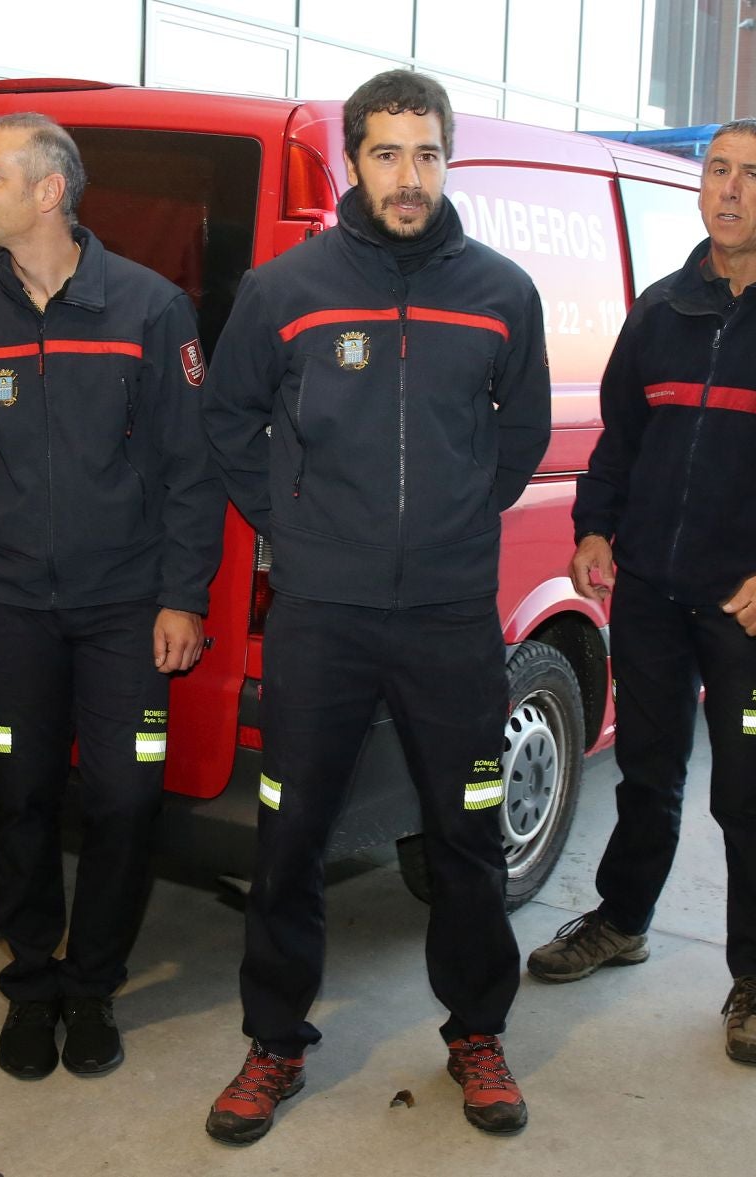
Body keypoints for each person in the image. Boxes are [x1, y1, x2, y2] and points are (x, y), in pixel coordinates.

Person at [200, 70, 551, 1143]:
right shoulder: (286, 287)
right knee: (291, 831)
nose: (410, 177)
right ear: (353, 160)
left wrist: (448, 524)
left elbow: (520, 435)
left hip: (450, 614)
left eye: (429, 154)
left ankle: (477, 1034)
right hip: (323, 612)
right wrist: (301, 526)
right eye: (389, 154)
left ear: (451, 161)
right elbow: (228, 417)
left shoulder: (501, 291)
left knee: (467, 835)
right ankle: (273, 1042)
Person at [527, 118, 756, 1067]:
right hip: (650, 590)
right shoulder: (660, 311)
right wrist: (595, 529)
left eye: (753, 174)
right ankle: (622, 919)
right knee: (645, 771)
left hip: (750, 608)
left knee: (747, 790)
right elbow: (620, 442)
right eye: (717, 171)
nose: (729, 190)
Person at [0, 113, 224, 1080]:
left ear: (49, 191)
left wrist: (184, 595)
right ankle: (31, 981)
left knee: (126, 797)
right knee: (18, 794)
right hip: (11, 612)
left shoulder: (149, 309)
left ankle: (92, 982)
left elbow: (191, 468)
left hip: (124, 614)